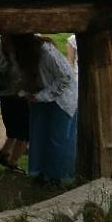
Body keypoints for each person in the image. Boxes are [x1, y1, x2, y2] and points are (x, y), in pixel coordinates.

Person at [16, 33, 78, 182]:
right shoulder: (20, 54)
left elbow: (65, 77)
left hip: (62, 99)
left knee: (58, 139)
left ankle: (59, 177)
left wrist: (41, 96)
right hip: (40, 97)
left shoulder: (46, 51)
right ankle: (40, 174)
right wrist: (27, 92)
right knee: (39, 136)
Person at [0, 32, 32, 173]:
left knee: (14, 128)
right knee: (25, 131)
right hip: (18, 92)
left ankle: (4, 153)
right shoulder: (18, 46)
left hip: (4, 91)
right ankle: (13, 163)